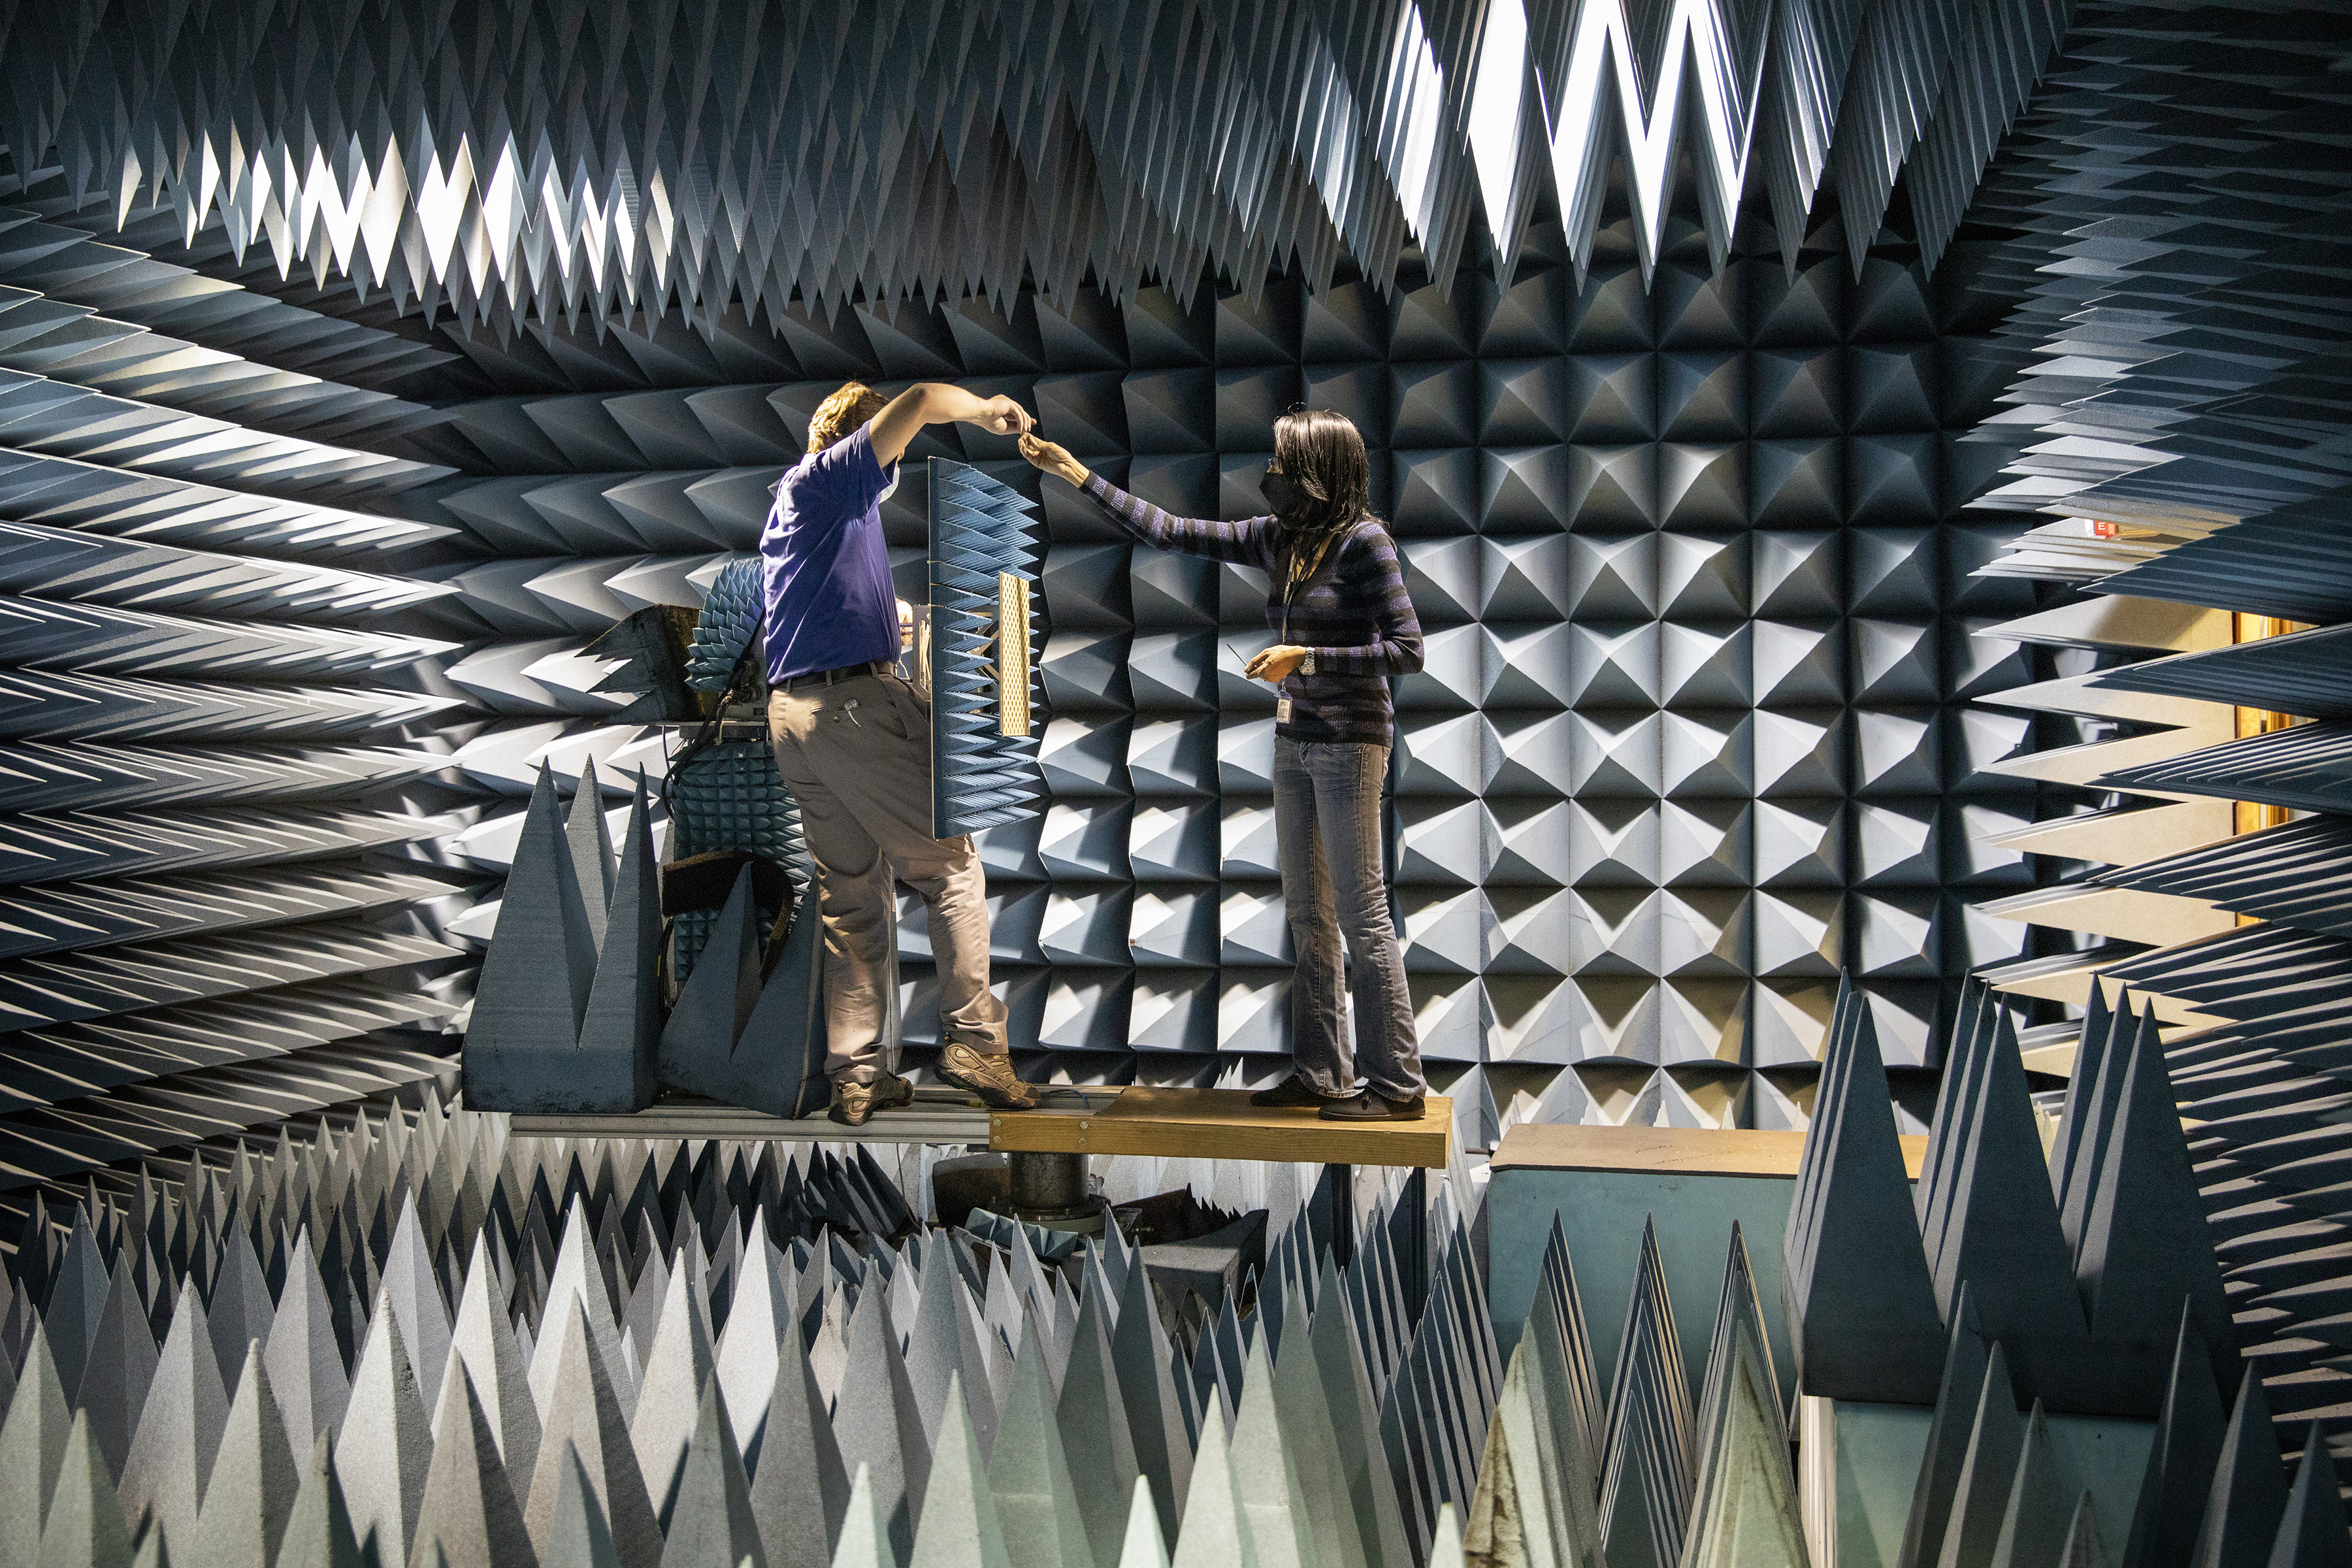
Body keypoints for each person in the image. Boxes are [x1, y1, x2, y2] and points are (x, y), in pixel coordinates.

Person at [1021, 411, 1429, 1120]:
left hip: (1350, 745)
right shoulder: (1284, 539)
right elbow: (1173, 531)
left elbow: (1408, 650)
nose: (1271, 472)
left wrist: (1308, 657)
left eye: (1283, 459)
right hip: (1295, 741)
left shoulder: (1367, 544)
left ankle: (1397, 1087)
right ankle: (1324, 1073)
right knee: (1309, 916)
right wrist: (1076, 475)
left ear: (1321, 468)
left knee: (1363, 915)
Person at [764, 380, 1043, 1126]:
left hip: (794, 719)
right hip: (853, 711)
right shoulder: (834, 477)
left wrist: (899, 622)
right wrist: (985, 409)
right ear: (863, 440)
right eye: (886, 449)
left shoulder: (796, 507)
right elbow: (919, 398)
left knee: (852, 899)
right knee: (949, 864)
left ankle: (856, 1076)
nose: (893, 468)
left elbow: (820, 608)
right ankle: (976, 1044)